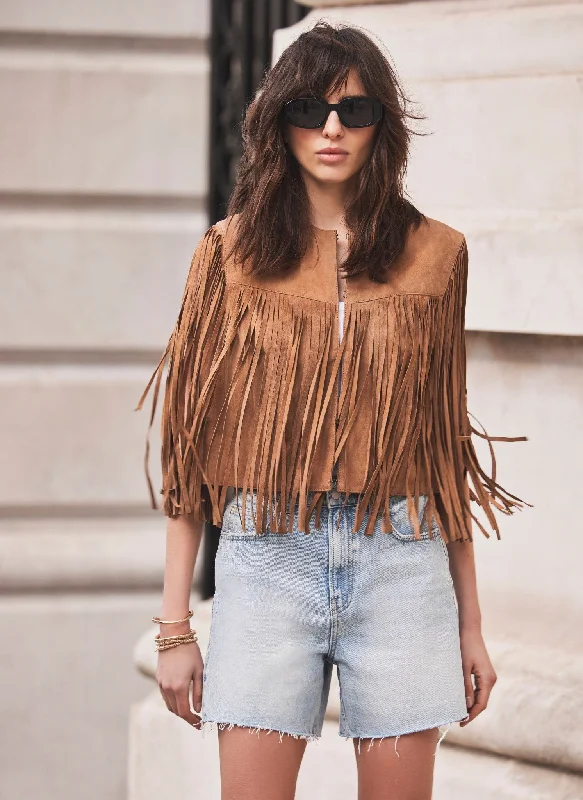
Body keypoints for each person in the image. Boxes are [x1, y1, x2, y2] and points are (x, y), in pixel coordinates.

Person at [136, 20, 526, 800]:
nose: (331, 129)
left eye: (355, 111)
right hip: (265, 554)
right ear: (277, 120)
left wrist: (469, 625)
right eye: (310, 108)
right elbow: (189, 455)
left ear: (383, 125)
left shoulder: (436, 254)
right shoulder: (227, 254)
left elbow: (442, 448)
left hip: (401, 555)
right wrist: (175, 625)